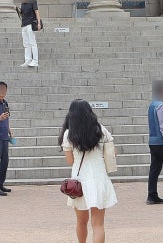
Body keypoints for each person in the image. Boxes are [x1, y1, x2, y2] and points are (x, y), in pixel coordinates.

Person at [59, 99, 117, 243]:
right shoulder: (101, 129)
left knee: (81, 221)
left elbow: (70, 161)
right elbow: (112, 152)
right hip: (99, 178)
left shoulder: (68, 134)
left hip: (80, 181)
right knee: (98, 224)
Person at [15, 0, 41, 67]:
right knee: (26, 43)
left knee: (32, 42)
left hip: (31, 23)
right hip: (24, 24)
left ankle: (35, 61)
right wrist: (17, 10)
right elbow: (22, 14)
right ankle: (28, 60)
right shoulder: (23, 3)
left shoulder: (33, 0)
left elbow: (37, 12)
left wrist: (39, 23)